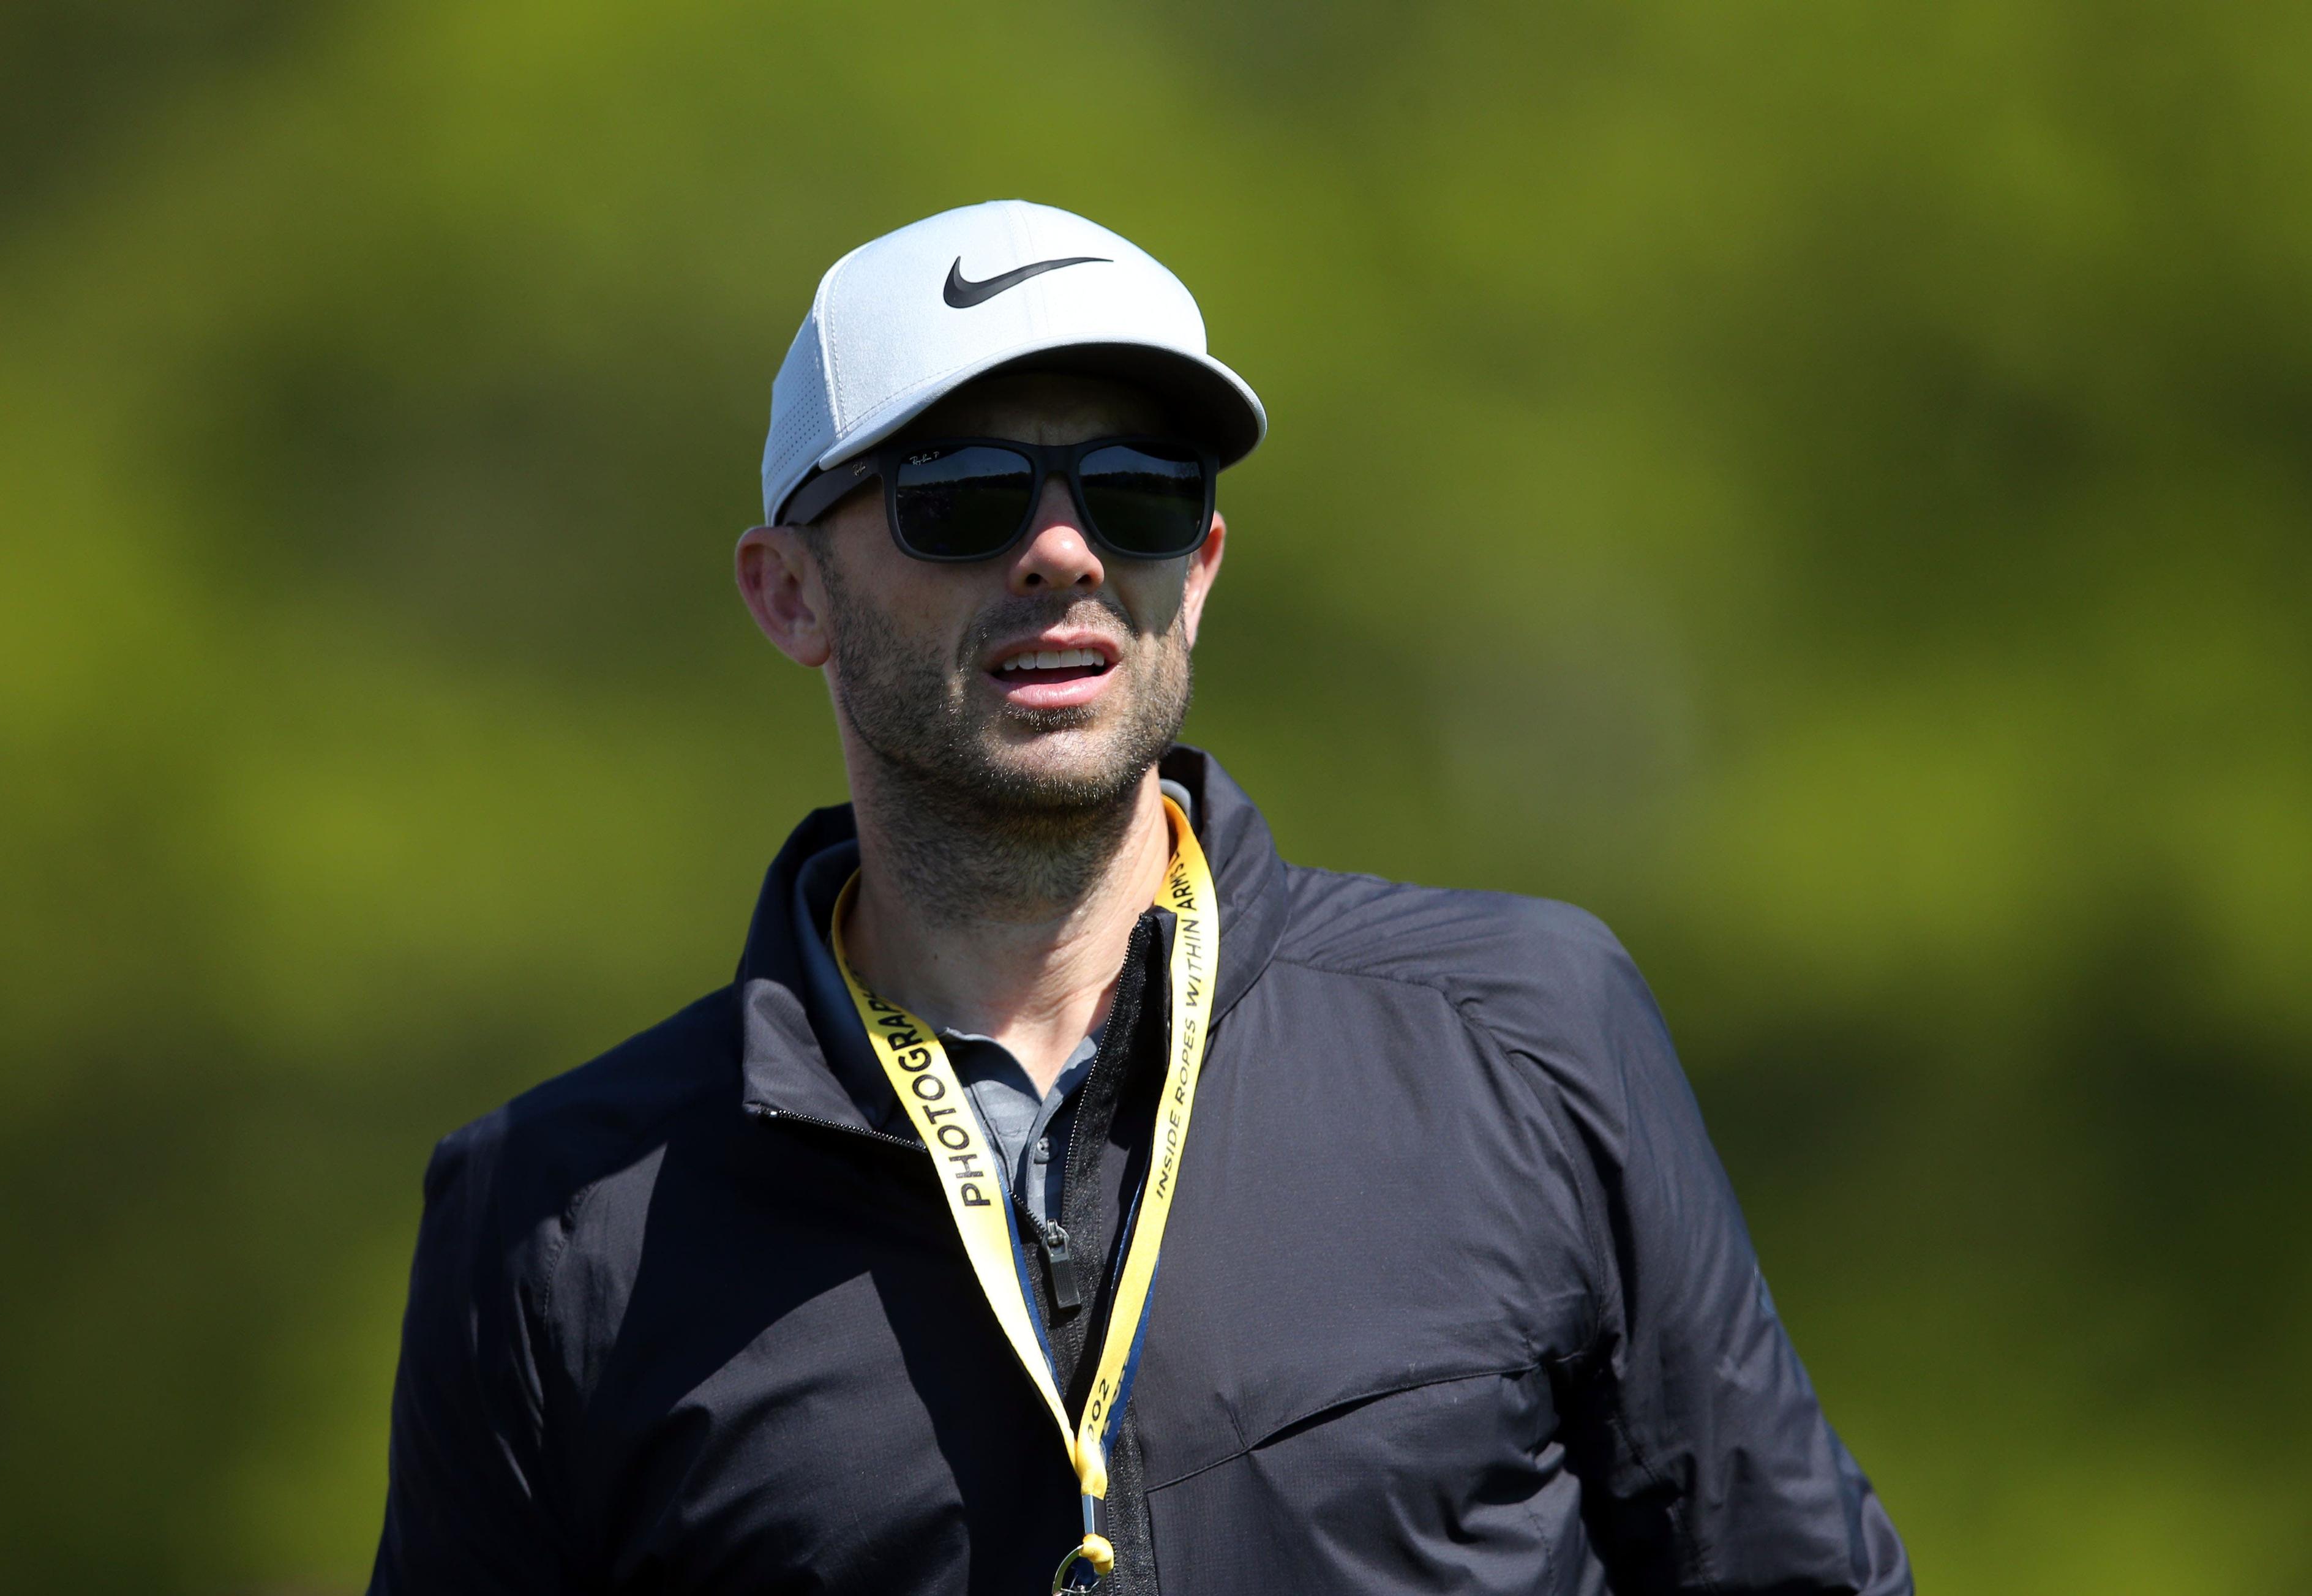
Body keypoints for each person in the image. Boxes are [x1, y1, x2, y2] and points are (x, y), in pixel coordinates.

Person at [367, 200, 1912, 1595]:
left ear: (1206, 563)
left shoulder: (1524, 1030)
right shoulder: (554, 1219)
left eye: (1139, 490)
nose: (1061, 550)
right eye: (959, 494)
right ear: (789, 592)